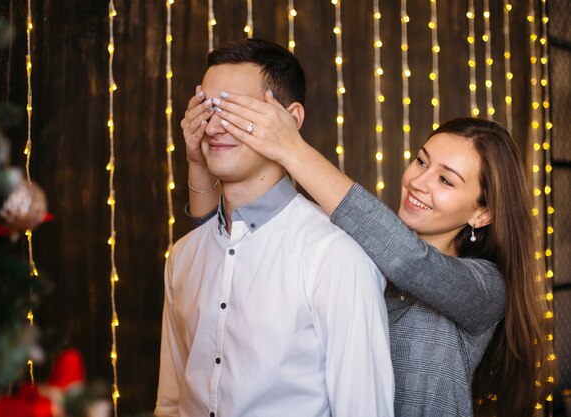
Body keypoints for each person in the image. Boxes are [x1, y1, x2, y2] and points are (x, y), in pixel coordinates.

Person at [183, 84, 553, 415]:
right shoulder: (350, 253)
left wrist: (291, 149)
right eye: (421, 161)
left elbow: (409, 260)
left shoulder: (485, 288)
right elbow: (222, 257)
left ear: (482, 212)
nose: (419, 183)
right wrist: (198, 165)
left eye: (445, 180)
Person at [155, 38, 394, 417]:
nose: (215, 126)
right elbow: (170, 402)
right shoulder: (184, 255)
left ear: (291, 119)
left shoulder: (335, 257)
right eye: (207, 108)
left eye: (234, 108)